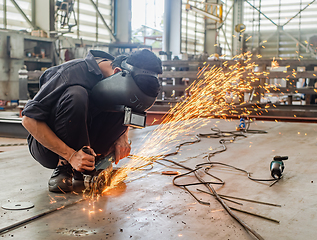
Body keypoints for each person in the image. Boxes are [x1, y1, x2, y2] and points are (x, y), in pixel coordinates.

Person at [22, 49, 162, 193]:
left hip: (90, 141)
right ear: (117, 71)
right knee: (77, 95)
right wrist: (70, 155)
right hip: (49, 150)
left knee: (121, 103)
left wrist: (122, 137)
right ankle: (64, 167)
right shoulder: (71, 73)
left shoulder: (126, 75)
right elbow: (28, 120)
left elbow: (128, 110)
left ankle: (91, 165)